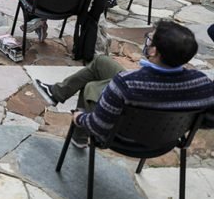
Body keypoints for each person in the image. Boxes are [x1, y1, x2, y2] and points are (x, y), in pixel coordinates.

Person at [33, 21, 214, 148]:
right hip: (166, 138)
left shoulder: (126, 84)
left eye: (150, 39)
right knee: (101, 62)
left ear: (154, 51)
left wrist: (79, 117)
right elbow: (209, 120)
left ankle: (79, 136)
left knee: (91, 88)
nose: (147, 41)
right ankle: (56, 92)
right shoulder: (204, 85)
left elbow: (99, 126)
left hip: (122, 138)